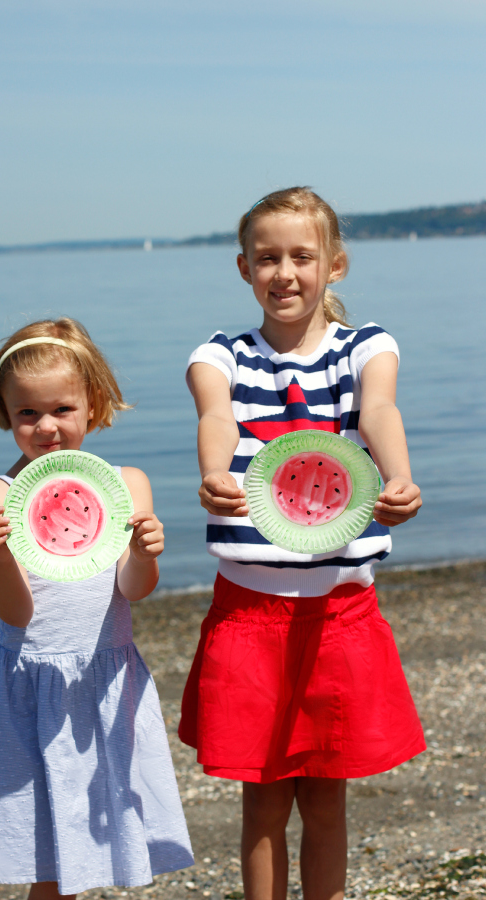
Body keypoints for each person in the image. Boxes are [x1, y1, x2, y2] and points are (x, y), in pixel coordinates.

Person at [178, 187, 424, 900]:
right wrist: (211, 471)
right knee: (261, 803)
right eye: (266, 258)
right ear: (243, 268)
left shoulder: (365, 347)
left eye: (301, 257)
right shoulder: (219, 353)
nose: (284, 272)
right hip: (248, 615)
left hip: (341, 617)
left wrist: (400, 475)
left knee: (325, 802)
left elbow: (378, 406)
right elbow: (216, 416)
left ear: (335, 265)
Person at [0, 317, 193, 899]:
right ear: (6, 413)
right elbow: (15, 614)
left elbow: (134, 588)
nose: (46, 427)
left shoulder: (127, 483)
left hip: (105, 684)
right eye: (27, 413)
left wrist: (146, 554)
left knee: (97, 841)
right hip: (29, 690)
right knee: (47, 858)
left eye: (62, 409)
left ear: (93, 406)